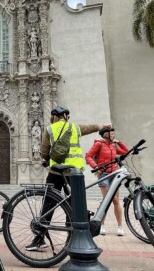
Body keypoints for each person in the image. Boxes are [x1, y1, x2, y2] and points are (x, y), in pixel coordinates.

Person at [26, 106, 101, 251]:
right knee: (74, 206)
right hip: (74, 174)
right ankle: (72, 238)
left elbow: (43, 152)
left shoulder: (50, 129)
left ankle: (39, 238)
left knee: (48, 203)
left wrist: (47, 159)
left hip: (55, 173)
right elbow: (89, 128)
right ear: (66, 115)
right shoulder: (75, 128)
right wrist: (101, 126)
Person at [86, 126, 129, 236]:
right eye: (112, 133)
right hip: (104, 175)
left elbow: (125, 152)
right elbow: (88, 156)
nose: (114, 135)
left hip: (114, 174)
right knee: (107, 200)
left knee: (116, 200)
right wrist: (97, 167)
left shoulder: (113, 145)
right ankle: (101, 225)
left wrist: (118, 142)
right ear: (106, 134)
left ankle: (120, 227)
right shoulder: (99, 144)